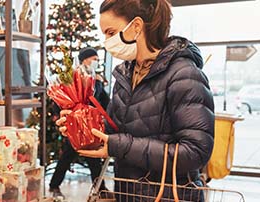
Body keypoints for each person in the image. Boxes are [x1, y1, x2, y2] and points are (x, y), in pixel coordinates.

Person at [56, 0, 215, 201]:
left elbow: (195, 152)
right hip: (129, 193)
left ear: (137, 27)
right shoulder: (125, 75)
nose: (106, 41)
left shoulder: (185, 75)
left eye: (111, 33)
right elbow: (117, 130)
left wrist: (119, 146)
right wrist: (82, 126)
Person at [48, 48, 110, 198]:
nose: (95, 61)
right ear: (84, 59)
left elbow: (102, 100)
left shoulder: (96, 79)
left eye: (97, 59)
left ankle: (100, 188)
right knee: (69, 155)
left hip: (91, 123)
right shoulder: (72, 77)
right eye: (93, 58)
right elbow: (61, 99)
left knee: (91, 157)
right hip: (75, 124)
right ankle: (54, 185)